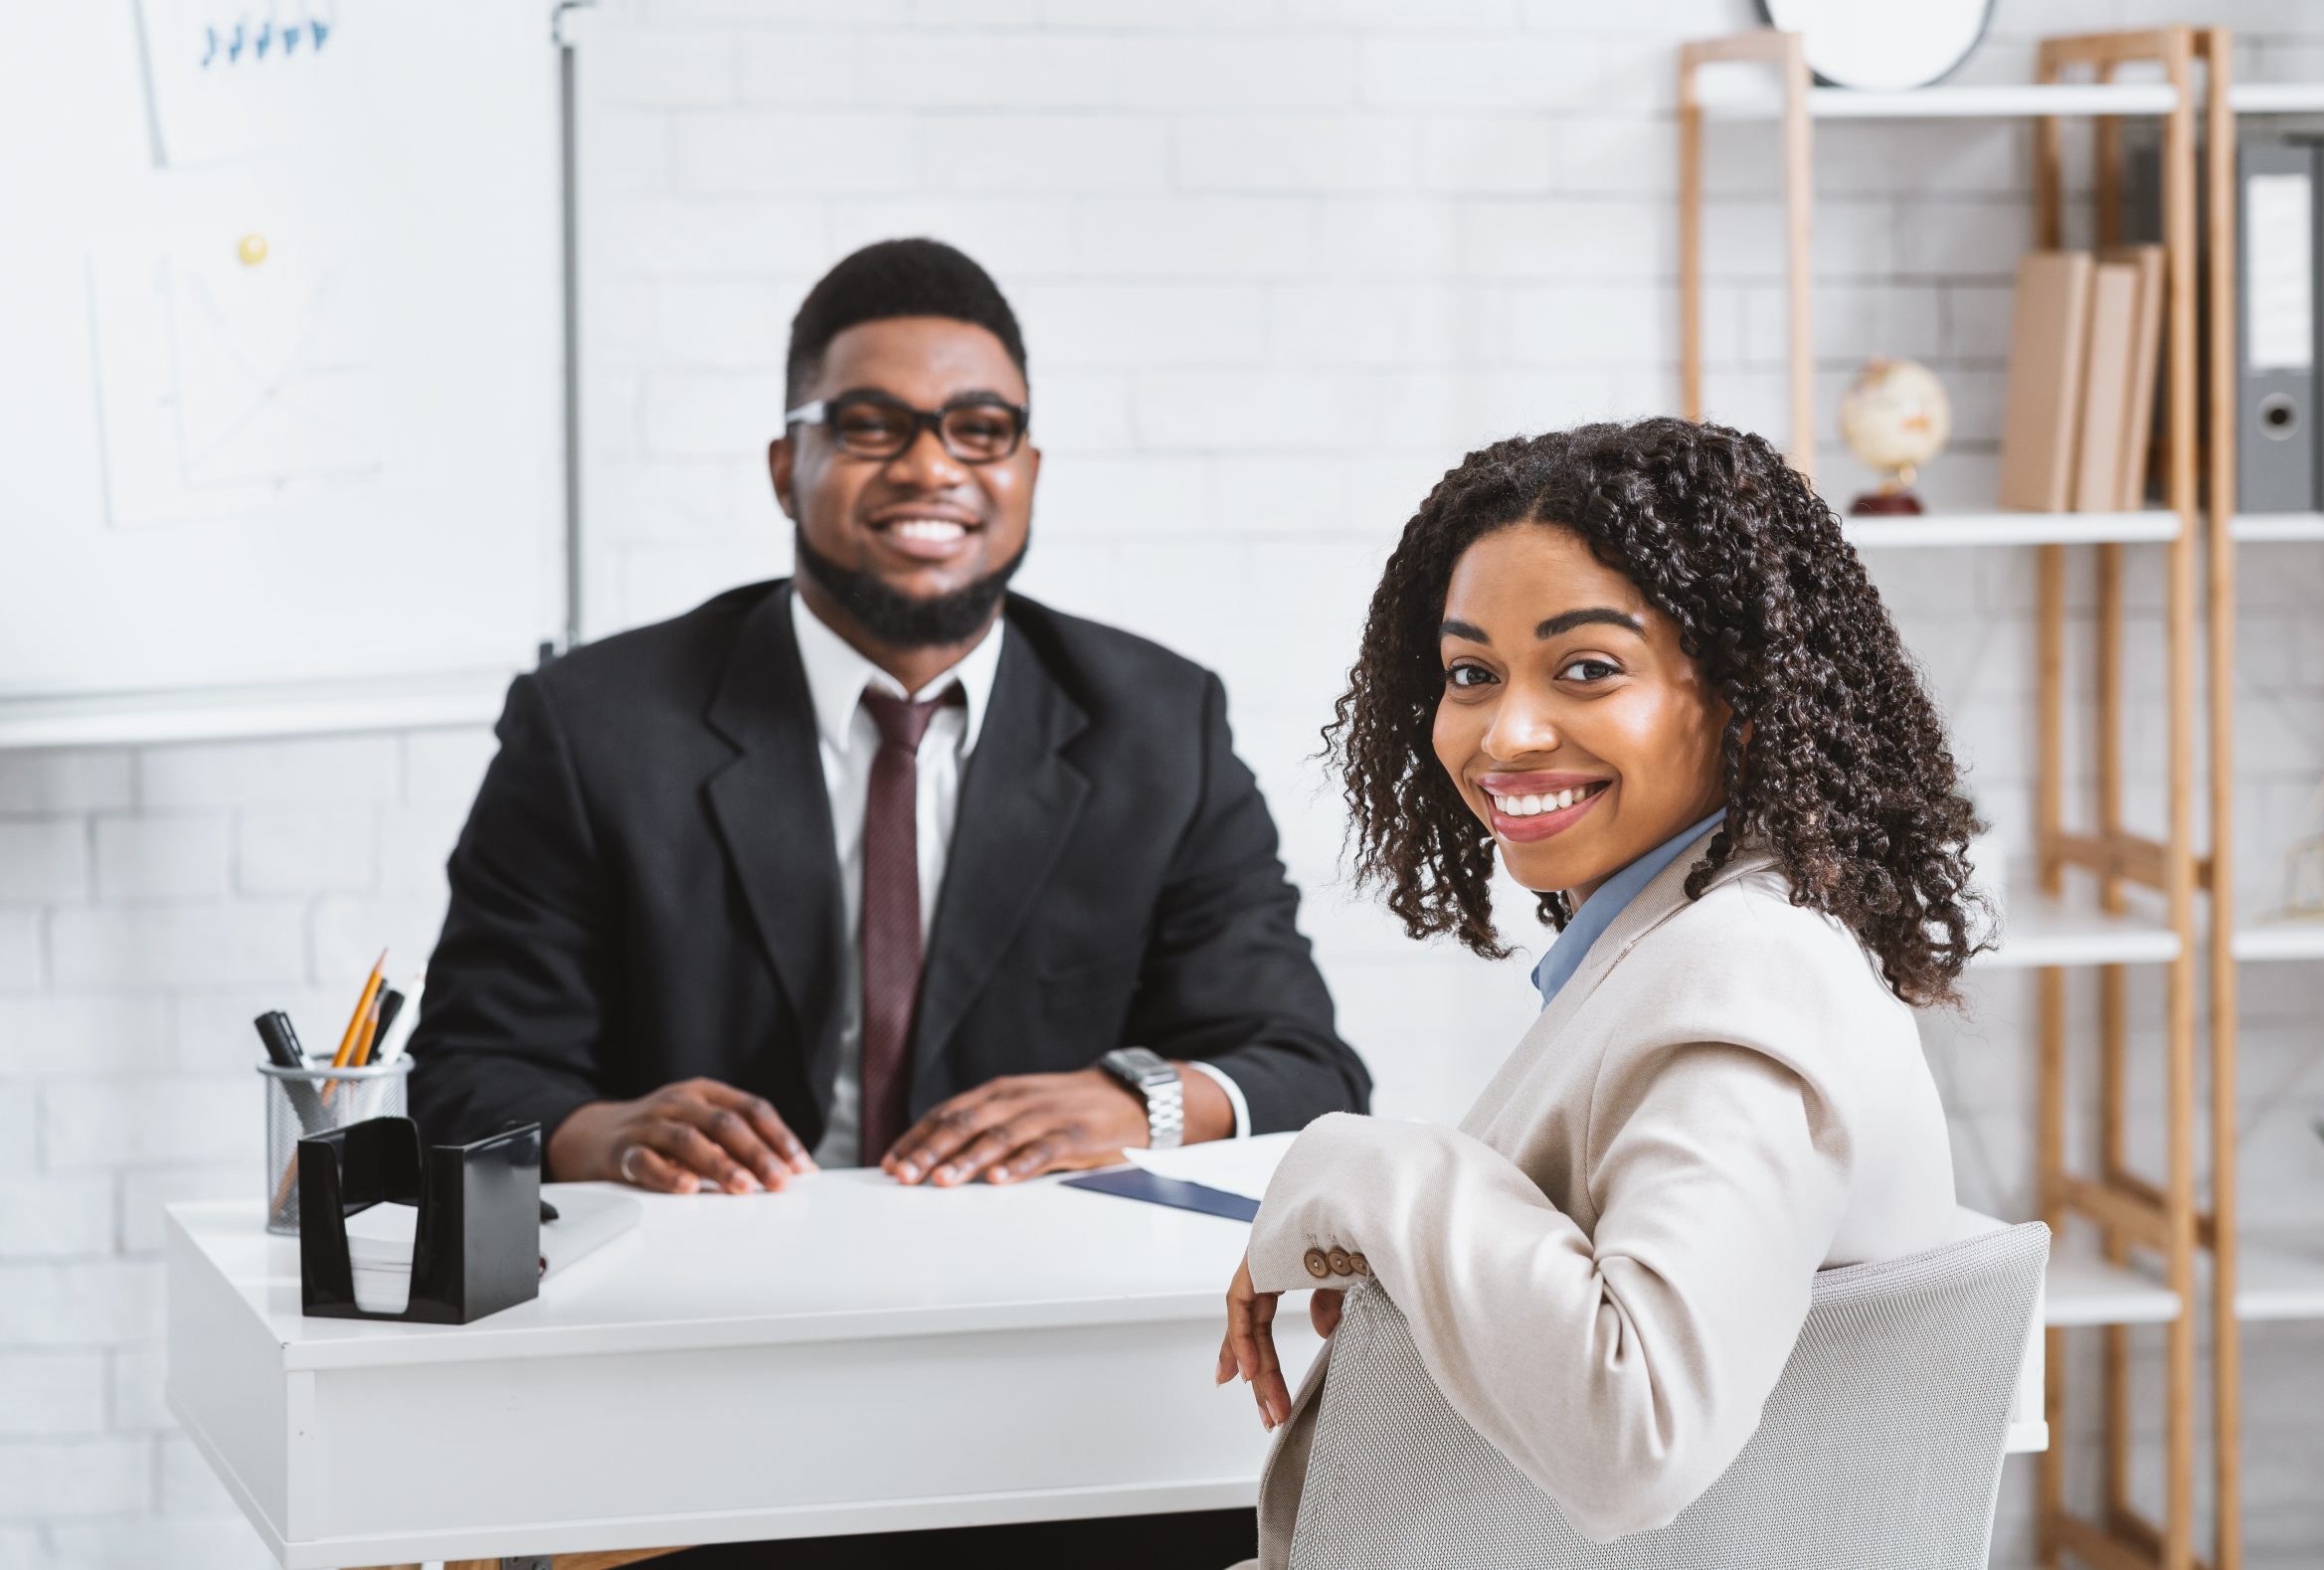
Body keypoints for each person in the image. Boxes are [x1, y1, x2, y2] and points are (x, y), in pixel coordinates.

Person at [406, 238, 1369, 1565]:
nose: (931, 466)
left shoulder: (1159, 721)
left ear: (1027, 470)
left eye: (982, 429)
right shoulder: (594, 725)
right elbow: (465, 1073)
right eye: (871, 425)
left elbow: (1307, 1067)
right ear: (784, 464)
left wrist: (1134, 1098)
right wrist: (607, 1130)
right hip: (697, 1388)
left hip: (1054, 1396)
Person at [1215, 419, 1989, 1565]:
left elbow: (1636, 1432)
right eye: (1470, 673)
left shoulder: (1746, 977)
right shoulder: (1695, 938)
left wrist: (1363, 1167)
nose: (1504, 732)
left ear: (1742, 692)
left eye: (1586, 668)